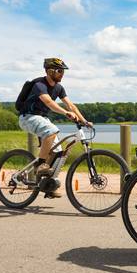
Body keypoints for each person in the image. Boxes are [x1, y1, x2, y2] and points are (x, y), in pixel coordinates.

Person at [18, 58, 91, 198]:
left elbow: (71, 106)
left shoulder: (59, 88)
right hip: (28, 117)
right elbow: (49, 102)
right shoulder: (39, 85)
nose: (62, 73)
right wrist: (65, 113)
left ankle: (48, 186)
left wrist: (84, 121)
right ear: (49, 71)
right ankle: (40, 164)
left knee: (58, 153)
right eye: (59, 71)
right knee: (51, 130)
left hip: (42, 119)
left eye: (63, 71)